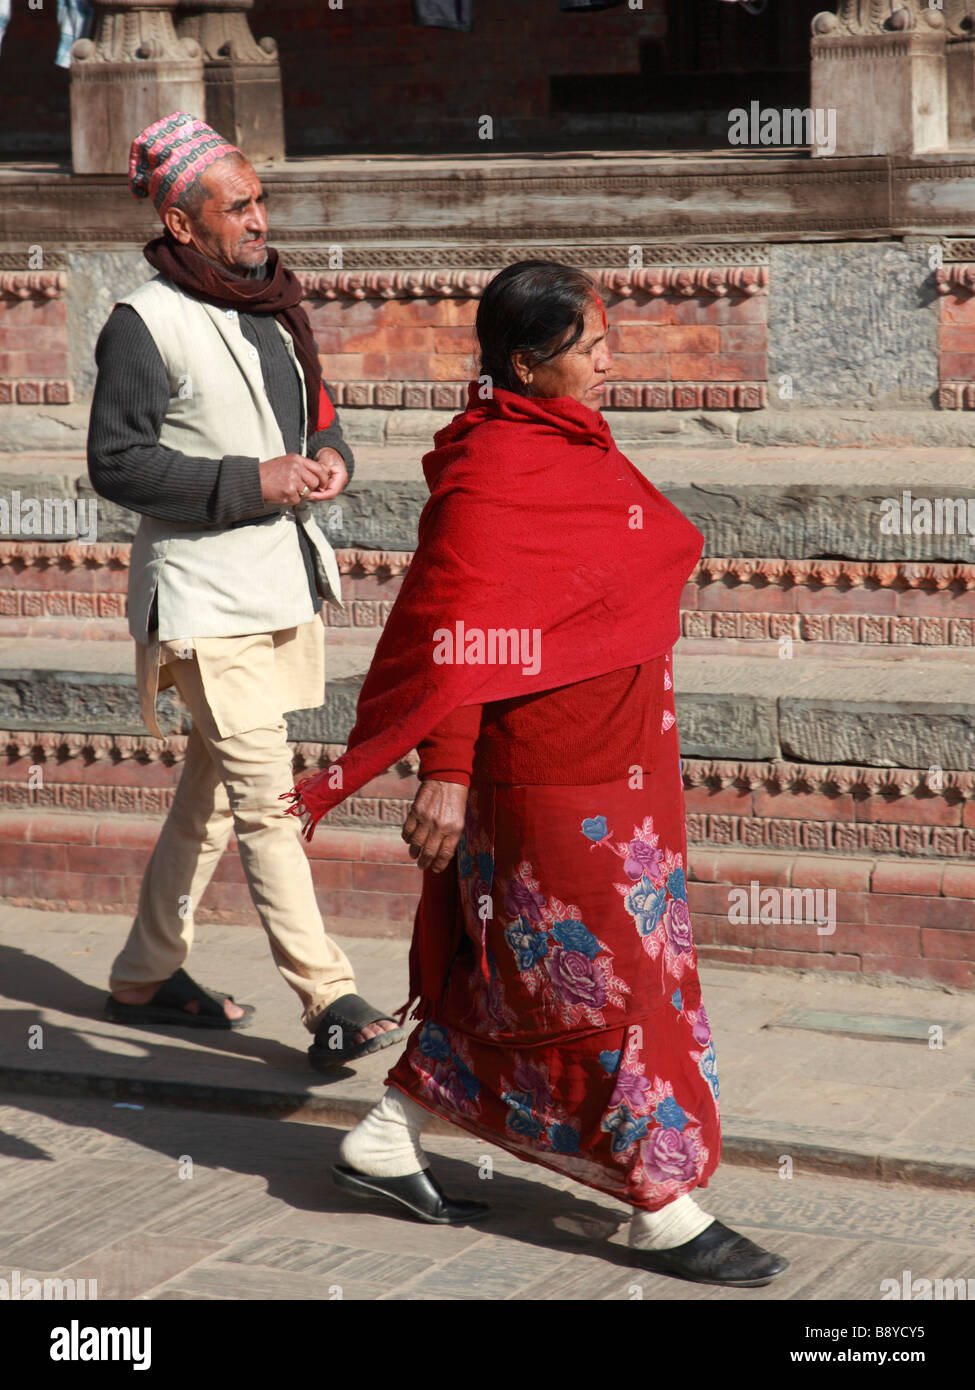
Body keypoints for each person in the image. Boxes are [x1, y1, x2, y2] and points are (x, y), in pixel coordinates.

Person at [285, 261, 789, 1286]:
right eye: (588, 349)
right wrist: (448, 771)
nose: (609, 363)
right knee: (603, 980)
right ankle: (660, 1200)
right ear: (524, 363)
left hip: (623, 769)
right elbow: (463, 630)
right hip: (542, 779)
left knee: (513, 974)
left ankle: (389, 1136)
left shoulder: (575, 443)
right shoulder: (491, 471)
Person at [86, 111, 404, 1071]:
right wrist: (249, 480)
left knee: (213, 797)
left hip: (277, 583)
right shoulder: (145, 322)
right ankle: (330, 998)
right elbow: (117, 464)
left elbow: (317, 416)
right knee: (267, 798)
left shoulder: (272, 305)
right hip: (202, 598)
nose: (260, 219)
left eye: (261, 199)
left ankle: (144, 971)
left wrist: (331, 459)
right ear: (183, 225)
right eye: (237, 206)